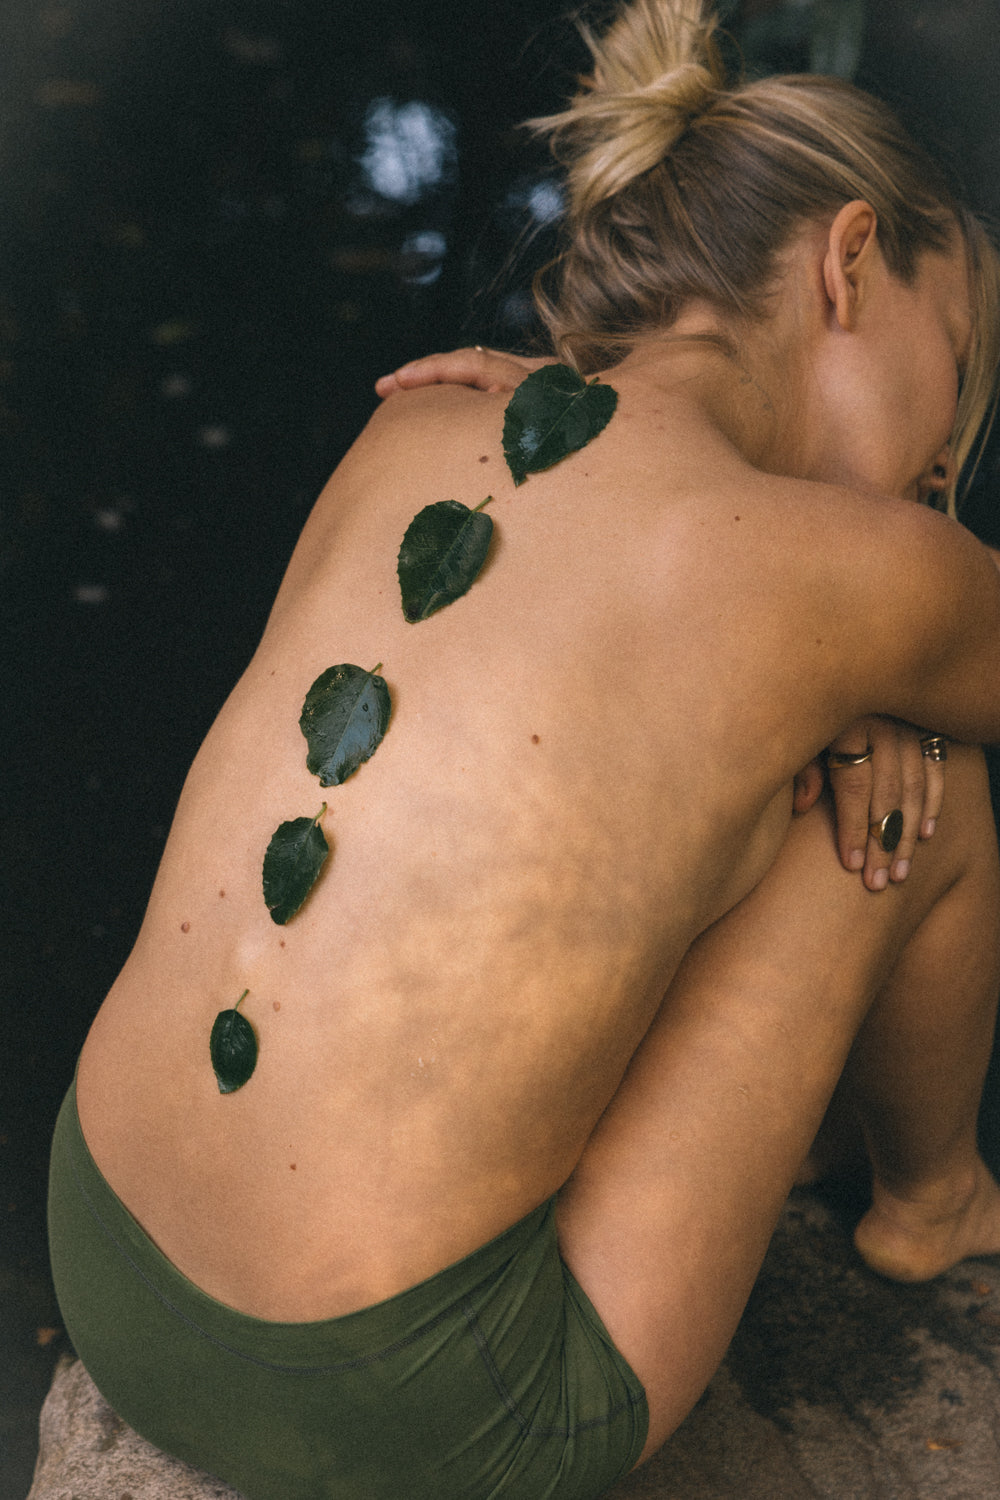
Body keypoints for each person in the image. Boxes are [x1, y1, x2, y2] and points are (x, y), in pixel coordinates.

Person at [48, 2, 1000, 1497]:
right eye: (954, 369)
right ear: (851, 261)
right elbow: (840, 612)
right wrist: (899, 653)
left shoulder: (416, 425)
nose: (943, 464)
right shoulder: (859, 569)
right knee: (928, 786)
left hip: (102, 1244)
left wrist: (859, 668)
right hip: (413, 1401)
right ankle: (931, 1206)